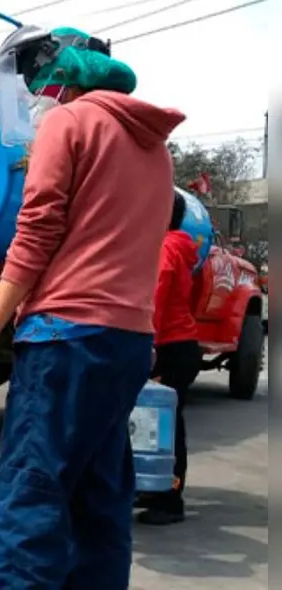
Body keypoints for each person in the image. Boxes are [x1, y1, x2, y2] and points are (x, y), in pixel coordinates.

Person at [0, 27, 185, 588]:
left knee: (32, 498)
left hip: (65, 337)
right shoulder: (155, 147)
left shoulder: (69, 121)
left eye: (36, 87)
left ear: (60, 78)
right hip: (128, 341)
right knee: (101, 499)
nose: (33, 101)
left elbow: (35, 233)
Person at [138, 192, 201, 526]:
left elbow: (156, 296)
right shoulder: (180, 245)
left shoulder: (165, 247)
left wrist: (147, 345)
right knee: (157, 424)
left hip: (168, 345)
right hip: (178, 343)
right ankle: (153, 487)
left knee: (166, 428)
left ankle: (170, 499)